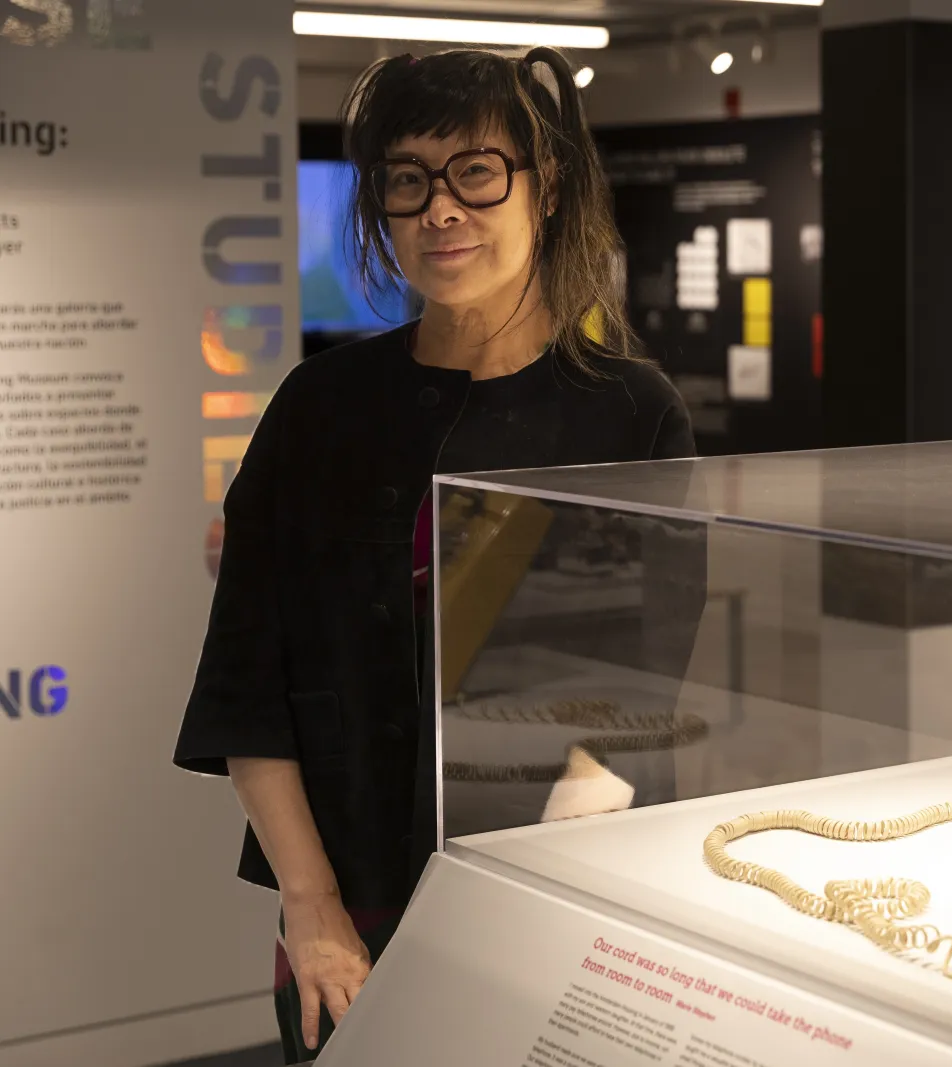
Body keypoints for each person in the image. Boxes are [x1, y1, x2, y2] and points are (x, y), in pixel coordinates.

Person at [172, 47, 697, 1062]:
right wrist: (313, 904)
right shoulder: (318, 408)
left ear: (543, 191)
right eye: (408, 179)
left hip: (552, 902)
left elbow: (642, 691)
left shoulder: (632, 411)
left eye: (476, 171)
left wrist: (523, 905)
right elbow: (248, 677)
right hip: (345, 912)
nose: (440, 209)